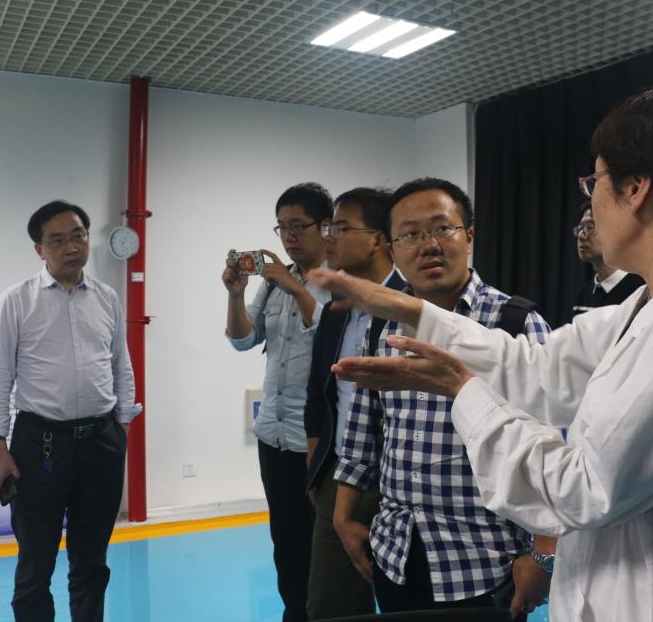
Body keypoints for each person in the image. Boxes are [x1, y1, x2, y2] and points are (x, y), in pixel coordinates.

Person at [315, 89, 653, 622]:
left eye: (595, 181)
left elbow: (585, 489)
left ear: (636, 189)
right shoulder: (652, 304)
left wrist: (461, 390)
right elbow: (540, 369)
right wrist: (407, 308)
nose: (591, 204)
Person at [331, 178, 556, 618]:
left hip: (484, 558)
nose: (428, 245)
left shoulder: (515, 323)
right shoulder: (381, 325)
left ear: (468, 236)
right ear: (391, 249)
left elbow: (551, 446)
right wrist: (343, 517)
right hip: (395, 551)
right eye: (410, 234)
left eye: (441, 228)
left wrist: (545, 552)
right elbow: (364, 427)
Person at [0, 200, 137, 622]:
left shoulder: (107, 298)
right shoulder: (17, 300)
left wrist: (120, 430)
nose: (71, 247)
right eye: (58, 240)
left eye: (78, 235)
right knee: (35, 564)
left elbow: (121, 365)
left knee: (92, 561)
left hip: (101, 443)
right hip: (39, 444)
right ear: (40, 249)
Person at [224, 182, 333, 622]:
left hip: (320, 441)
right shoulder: (271, 285)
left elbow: (328, 338)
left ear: (325, 227)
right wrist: (235, 294)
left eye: (298, 226)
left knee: (324, 544)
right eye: (282, 227)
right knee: (286, 541)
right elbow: (242, 339)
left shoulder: (341, 280)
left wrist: (294, 286)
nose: (288, 236)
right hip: (274, 436)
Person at [304, 187, 402, 620]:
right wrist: (318, 469)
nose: (330, 239)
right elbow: (318, 394)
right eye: (329, 228)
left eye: (342, 229)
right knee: (331, 605)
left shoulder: (413, 305)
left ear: (379, 239)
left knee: (405, 602)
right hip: (342, 477)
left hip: (402, 481)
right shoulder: (335, 312)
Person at [571, 202, 644, 318]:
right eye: (580, 228)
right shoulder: (583, 294)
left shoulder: (639, 291)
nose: (581, 236)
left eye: (590, 227)